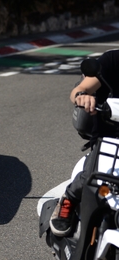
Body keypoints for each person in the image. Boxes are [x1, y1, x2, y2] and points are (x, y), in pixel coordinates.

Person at [50, 49, 119, 237]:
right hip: (110, 142)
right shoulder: (113, 60)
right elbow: (80, 89)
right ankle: (69, 199)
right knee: (92, 175)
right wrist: (82, 96)